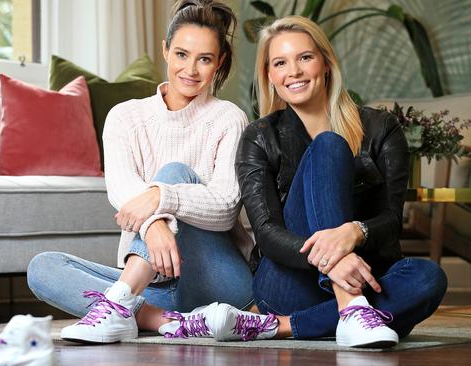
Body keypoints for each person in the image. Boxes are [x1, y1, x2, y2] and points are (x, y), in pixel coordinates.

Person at [154, 15, 448, 348]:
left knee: (429, 278)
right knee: (329, 145)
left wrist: (354, 232)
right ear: (270, 75)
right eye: (280, 62)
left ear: (325, 62)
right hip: (287, 281)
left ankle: (280, 326)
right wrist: (332, 259)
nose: (293, 71)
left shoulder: (381, 127)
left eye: (305, 57)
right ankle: (350, 307)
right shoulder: (259, 137)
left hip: (366, 272)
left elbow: (391, 222)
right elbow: (266, 234)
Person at [27, 0, 262, 344]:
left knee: (174, 172)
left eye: (205, 59)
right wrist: (154, 225)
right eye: (182, 54)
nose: (191, 70)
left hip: (218, 278)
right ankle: (166, 320)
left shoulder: (229, 118)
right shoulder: (125, 117)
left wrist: (160, 196)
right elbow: (121, 191)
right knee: (43, 268)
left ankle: (119, 305)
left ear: (219, 63)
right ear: (165, 50)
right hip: (151, 285)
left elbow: (226, 206)